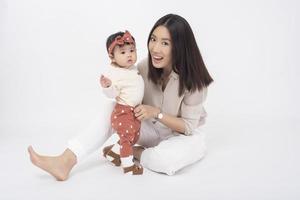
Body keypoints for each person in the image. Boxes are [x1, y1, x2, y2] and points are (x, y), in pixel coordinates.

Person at [28, 13, 213, 181]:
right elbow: (121, 91)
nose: (155, 48)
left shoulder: (194, 81)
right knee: (112, 108)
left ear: (180, 47)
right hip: (148, 129)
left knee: (164, 161)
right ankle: (66, 160)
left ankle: (129, 150)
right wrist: (109, 87)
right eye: (153, 39)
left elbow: (188, 127)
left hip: (180, 137)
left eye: (165, 43)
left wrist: (156, 113)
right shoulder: (144, 67)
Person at [100, 30, 144, 175]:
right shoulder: (114, 73)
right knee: (127, 139)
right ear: (112, 57)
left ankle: (113, 153)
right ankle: (128, 166)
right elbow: (113, 94)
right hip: (123, 111)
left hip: (134, 111)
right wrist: (108, 86)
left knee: (135, 136)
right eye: (123, 52)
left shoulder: (132, 68)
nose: (129, 55)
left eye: (132, 50)